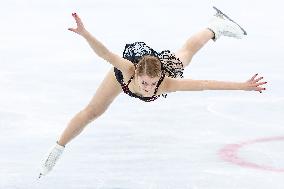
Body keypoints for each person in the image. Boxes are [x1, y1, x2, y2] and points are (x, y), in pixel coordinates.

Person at [38, 7, 267, 178]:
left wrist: (242, 85)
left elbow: (205, 84)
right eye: (145, 83)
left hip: (159, 65)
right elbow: (105, 53)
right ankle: (57, 149)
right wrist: (86, 34)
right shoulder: (127, 69)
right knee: (92, 112)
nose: (148, 89)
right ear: (137, 73)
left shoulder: (165, 82)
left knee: (184, 56)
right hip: (121, 79)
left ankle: (215, 25)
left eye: (152, 84)